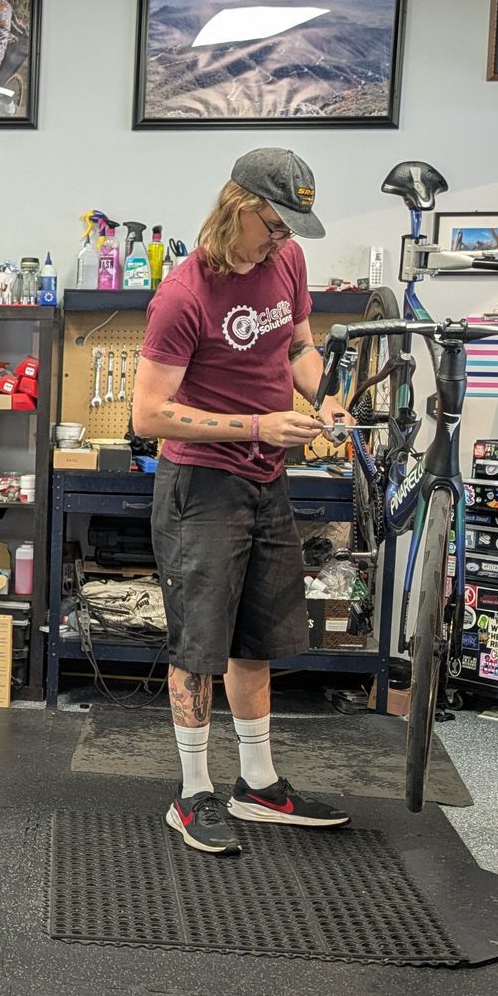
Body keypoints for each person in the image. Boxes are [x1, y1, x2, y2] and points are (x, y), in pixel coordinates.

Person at [130, 148, 351, 855]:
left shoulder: (287, 264)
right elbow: (148, 415)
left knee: (260, 636)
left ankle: (257, 784)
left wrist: (328, 397)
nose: (284, 238)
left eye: (293, 226)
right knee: (199, 643)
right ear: (237, 207)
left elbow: (297, 348)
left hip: (265, 479)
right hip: (202, 484)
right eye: (274, 222)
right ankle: (193, 793)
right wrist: (257, 425)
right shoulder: (183, 295)